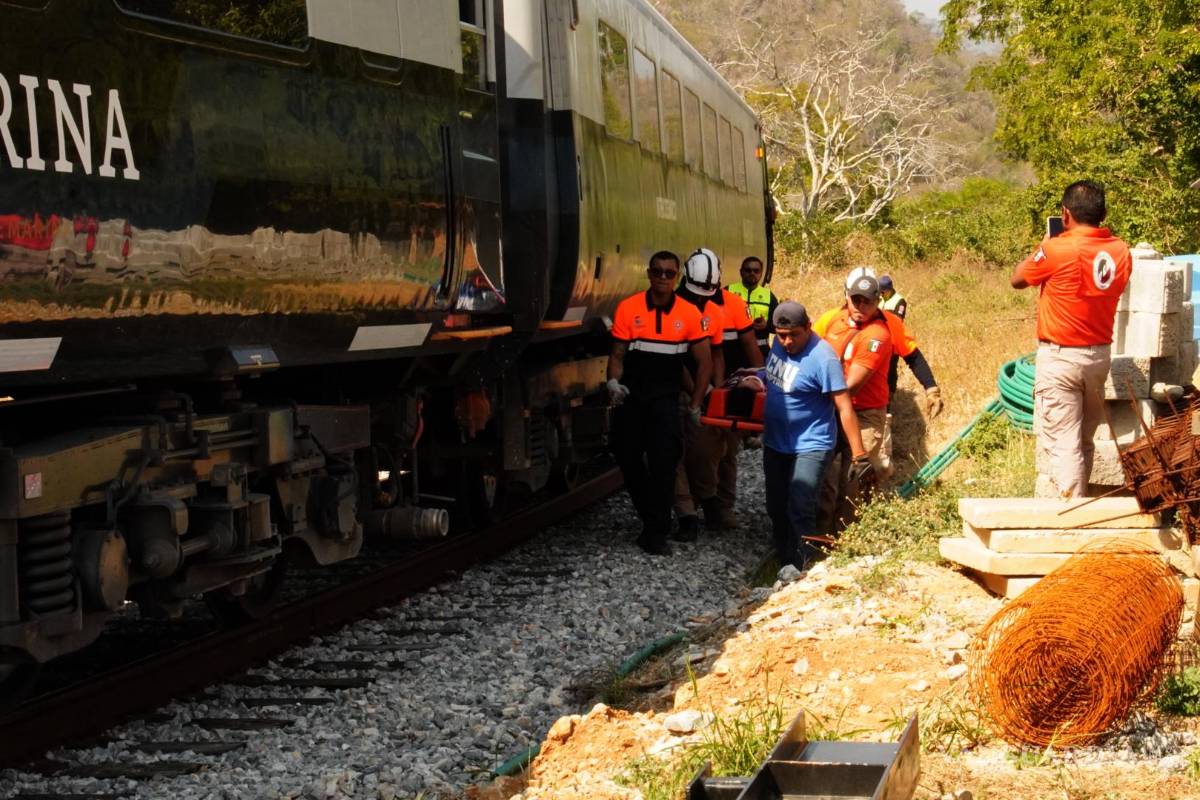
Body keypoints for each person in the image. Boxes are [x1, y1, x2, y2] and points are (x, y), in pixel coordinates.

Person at [1011, 180, 1131, 499]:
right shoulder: (1121, 251)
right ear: (1103, 213)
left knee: (1063, 445)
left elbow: (1018, 279)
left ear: (1066, 214)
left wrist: (1044, 245)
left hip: (1061, 358)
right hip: (1098, 357)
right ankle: (1079, 504)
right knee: (1083, 441)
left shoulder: (1056, 249)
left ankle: (1068, 519)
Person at [733, 302, 872, 569]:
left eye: (794, 334)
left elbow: (843, 406)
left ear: (808, 327)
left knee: (800, 506)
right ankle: (783, 558)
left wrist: (859, 455)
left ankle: (802, 567)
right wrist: (752, 380)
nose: (787, 341)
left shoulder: (823, 358)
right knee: (775, 505)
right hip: (776, 442)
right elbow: (776, 379)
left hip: (811, 443)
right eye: (781, 335)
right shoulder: (778, 345)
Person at [608, 251, 713, 555]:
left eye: (669, 273)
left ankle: (656, 533)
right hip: (632, 397)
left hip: (666, 400)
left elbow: (704, 362)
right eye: (658, 272)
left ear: (677, 276)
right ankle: (651, 517)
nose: (663, 278)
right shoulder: (629, 309)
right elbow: (617, 355)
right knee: (627, 457)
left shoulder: (689, 314)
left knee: (664, 464)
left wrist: (694, 403)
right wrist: (612, 382)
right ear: (649, 273)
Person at [812, 269, 893, 532]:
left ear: (877, 300)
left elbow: (851, 386)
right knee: (823, 474)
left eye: (867, 301)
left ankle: (847, 537)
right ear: (846, 296)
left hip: (864, 414)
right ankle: (820, 535)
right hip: (832, 408)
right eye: (855, 299)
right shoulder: (834, 321)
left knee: (855, 478)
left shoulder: (877, 335)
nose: (860, 306)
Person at [694, 250, 764, 530]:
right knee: (704, 451)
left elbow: (750, 346)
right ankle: (705, 503)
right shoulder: (689, 305)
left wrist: (761, 382)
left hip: (731, 389)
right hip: (699, 386)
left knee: (728, 453)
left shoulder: (734, 305)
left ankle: (723, 508)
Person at [672, 249, 728, 541]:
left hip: (703, 391)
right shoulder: (670, 308)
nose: (698, 299)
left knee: (704, 452)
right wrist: (695, 393)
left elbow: (716, 355)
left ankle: (708, 499)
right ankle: (687, 516)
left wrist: (715, 391)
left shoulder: (714, 313)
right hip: (675, 390)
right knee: (673, 455)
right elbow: (677, 360)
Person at [727, 256, 779, 357]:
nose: (752, 273)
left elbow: (778, 326)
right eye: (748, 270)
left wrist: (766, 326)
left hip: (760, 351)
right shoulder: (728, 291)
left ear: (761, 273)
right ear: (741, 272)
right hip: (732, 351)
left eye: (756, 271)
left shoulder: (769, 296)